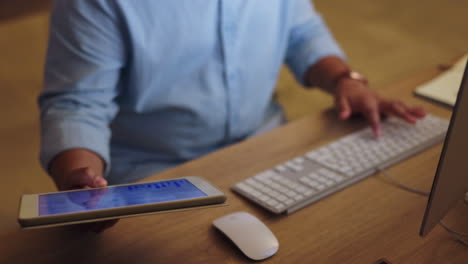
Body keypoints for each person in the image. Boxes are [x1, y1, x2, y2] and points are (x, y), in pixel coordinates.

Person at [39, 0, 425, 230]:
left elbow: (302, 32)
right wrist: (79, 181)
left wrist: (346, 80)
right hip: (157, 173)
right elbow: (78, 103)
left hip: (268, 143)